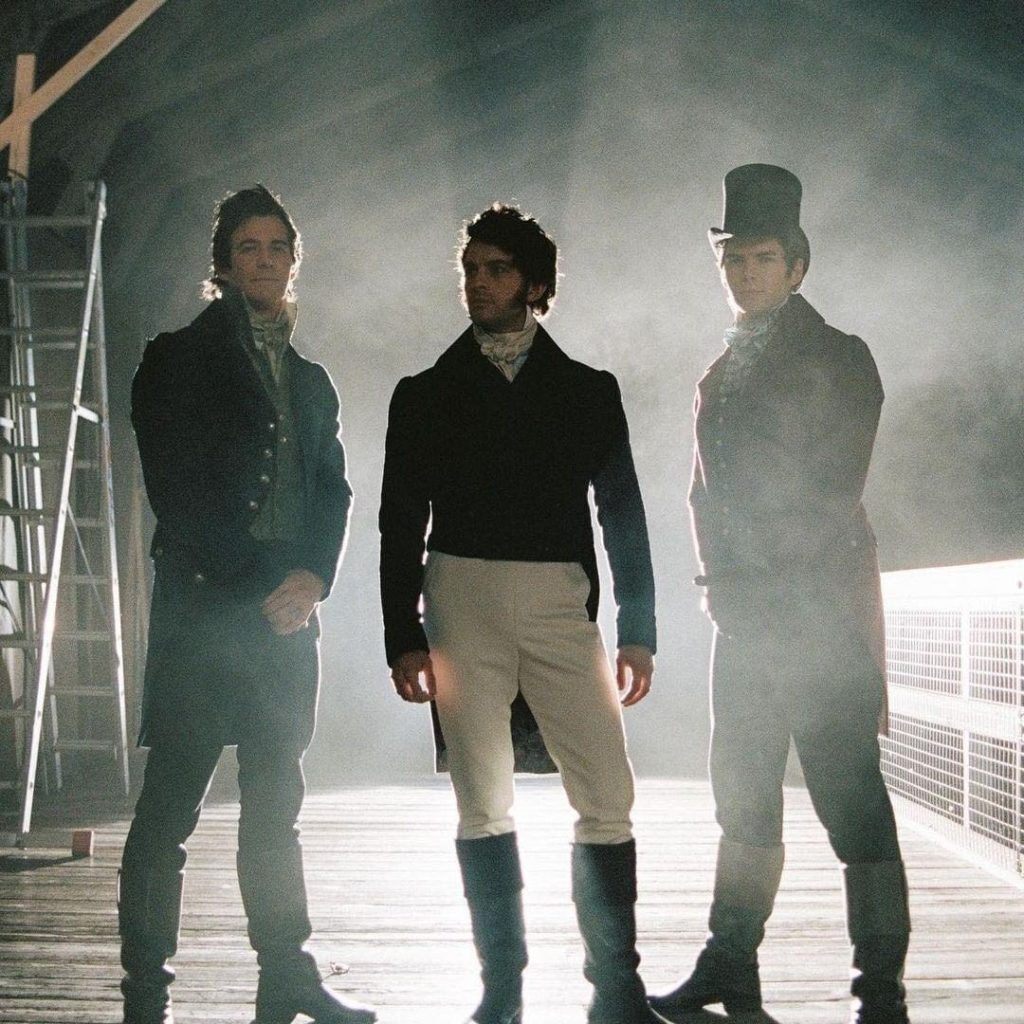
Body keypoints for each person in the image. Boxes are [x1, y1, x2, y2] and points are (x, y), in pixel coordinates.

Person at [379, 204, 667, 1024]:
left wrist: (640, 629)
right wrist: (402, 636)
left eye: (497, 269)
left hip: (556, 601)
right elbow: (399, 521)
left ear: (535, 283)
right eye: (471, 269)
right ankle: (501, 991)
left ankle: (616, 988)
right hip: (459, 596)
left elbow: (623, 512)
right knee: (481, 797)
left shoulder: (587, 391)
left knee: (606, 791)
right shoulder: (424, 393)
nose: (479, 282)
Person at [649, 164, 911, 1024]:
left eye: (762, 258)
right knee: (742, 796)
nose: (746, 273)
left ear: (797, 265)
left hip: (818, 614)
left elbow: (835, 490)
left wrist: (762, 581)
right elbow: (701, 492)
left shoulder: (840, 357)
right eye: (733, 259)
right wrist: (721, 587)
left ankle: (881, 993)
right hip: (744, 618)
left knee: (850, 801)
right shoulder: (719, 372)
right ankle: (731, 969)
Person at [119, 185, 375, 1024]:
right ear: (223, 266)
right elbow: (176, 490)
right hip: (205, 613)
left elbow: (332, 490)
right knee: (169, 810)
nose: (264, 262)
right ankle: (145, 997)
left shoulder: (311, 379)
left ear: (294, 261)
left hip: (286, 618)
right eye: (248, 248)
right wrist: (260, 583)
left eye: (277, 248)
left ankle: (286, 977)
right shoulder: (175, 359)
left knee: (276, 807)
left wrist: (312, 580)